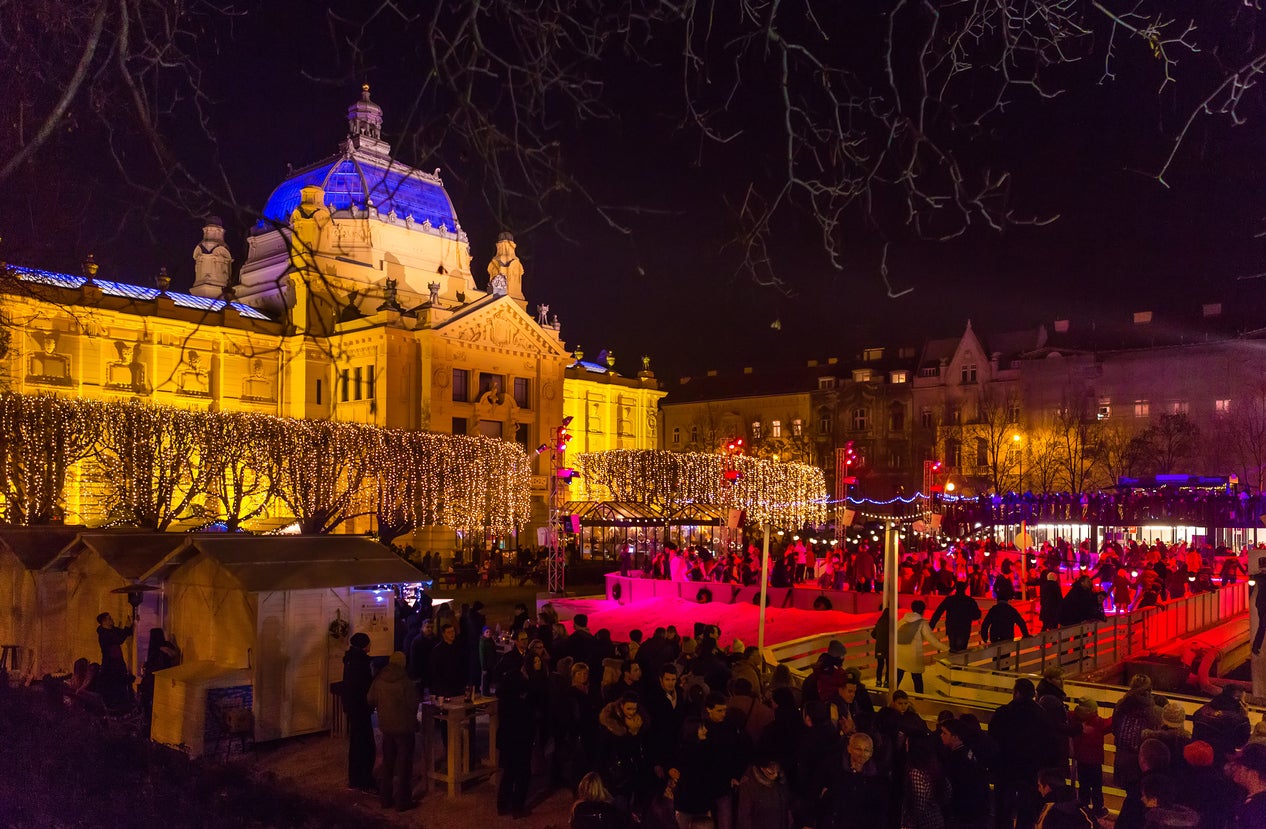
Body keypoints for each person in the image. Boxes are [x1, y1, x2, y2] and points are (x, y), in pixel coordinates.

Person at [990, 678, 1058, 829]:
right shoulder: (1041, 716)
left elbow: (993, 737)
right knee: (1027, 808)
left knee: (1003, 809)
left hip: (1005, 769)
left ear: (1017, 693)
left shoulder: (1004, 713)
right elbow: (1050, 743)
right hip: (1030, 770)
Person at [366, 651, 420, 811]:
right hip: (404, 728)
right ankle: (402, 801)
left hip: (386, 727)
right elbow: (413, 703)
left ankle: (385, 799)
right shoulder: (405, 682)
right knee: (404, 765)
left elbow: (370, 698)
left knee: (388, 764)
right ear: (403, 663)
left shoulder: (380, 679)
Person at [342, 632, 376, 792]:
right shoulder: (360, 663)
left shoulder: (350, 661)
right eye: (369, 643)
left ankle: (355, 778)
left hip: (354, 708)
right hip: (360, 708)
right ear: (364, 645)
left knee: (356, 743)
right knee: (365, 745)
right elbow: (363, 687)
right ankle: (364, 779)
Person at [1069, 697, 1111, 817]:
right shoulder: (1098, 723)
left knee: (1083, 784)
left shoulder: (1074, 719)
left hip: (1081, 759)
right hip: (1095, 760)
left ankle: (1083, 807)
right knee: (1097, 786)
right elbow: (1111, 723)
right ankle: (1098, 808)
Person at [896, 600, 948, 693]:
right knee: (917, 678)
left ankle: (891, 696)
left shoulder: (902, 621)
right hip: (913, 655)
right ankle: (920, 698)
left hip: (900, 654)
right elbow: (932, 640)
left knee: (898, 677)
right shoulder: (922, 623)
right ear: (923, 610)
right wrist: (947, 648)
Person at [1191, 685, 1251, 763]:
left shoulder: (1201, 711)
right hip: (1221, 760)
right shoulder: (1238, 721)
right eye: (1243, 699)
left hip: (1197, 755)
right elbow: (1241, 743)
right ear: (1237, 699)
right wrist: (1245, 717)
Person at [735, 753, 791, 829]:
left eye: (777, 770)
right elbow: (745, 819)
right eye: (771, 772)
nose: (775, 775)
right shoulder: (749, 785)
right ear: (761, 768)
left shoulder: (781, 780)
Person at [95, 611, 134, 711]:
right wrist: (126, 627)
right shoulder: (104, 634)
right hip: (110, 665)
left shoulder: (112, 629)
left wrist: (129, 626)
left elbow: (124, 633)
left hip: (118, 662)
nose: (111, 619)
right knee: (115, 686)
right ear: (104, 622)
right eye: (109, 618)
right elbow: (119, 639)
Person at [929, 583, 982, 653]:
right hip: (964, 627)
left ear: (956, 589)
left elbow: (938, 612)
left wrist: (931, 626)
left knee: (953, 647)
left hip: (952, 627)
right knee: (962, 649)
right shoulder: (970, 601)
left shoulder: (949, 600)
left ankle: (954, 660)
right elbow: (977, 615)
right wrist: (969, 616)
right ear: (965, 589)